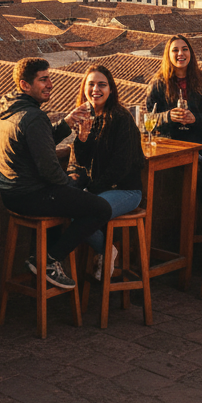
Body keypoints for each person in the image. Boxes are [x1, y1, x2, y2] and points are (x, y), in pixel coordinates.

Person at [0, 58, 111, 290]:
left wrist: (66, 123)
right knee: (100, 208)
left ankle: (45, 257)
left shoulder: (8, 106)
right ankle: (47, 260)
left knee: (70, 193)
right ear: (25, 85)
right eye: (43, 79)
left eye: (50, 78)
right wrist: (69, 186)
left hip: (11, 194)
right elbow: (49, 170)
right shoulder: (34, 117)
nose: (50, 84)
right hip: (31, 196)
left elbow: (39, 144)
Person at [146, 35, 202, 227]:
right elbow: (149, 120)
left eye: (185, 49)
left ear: (191, 53)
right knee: (200, 176)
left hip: (201, 140)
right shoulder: (158, 83)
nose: (181, 54)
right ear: (168, 55)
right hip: (173, 144)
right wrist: (169, 116)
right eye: (175, 50)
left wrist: (196, 118)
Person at [68, 67, 145, 281]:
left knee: (85, 211)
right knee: (73, 209)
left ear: (111, 89)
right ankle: (107, 250)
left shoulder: (122, 119)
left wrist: (89, 190)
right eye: (91, 84)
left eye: (102, 85)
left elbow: (120, 167)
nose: (95, 89)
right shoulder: (86, 117)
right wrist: (82, 138)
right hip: (100, 189)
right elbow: (81, 163)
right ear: (84, 88)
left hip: (125, 190)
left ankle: (105, 252)